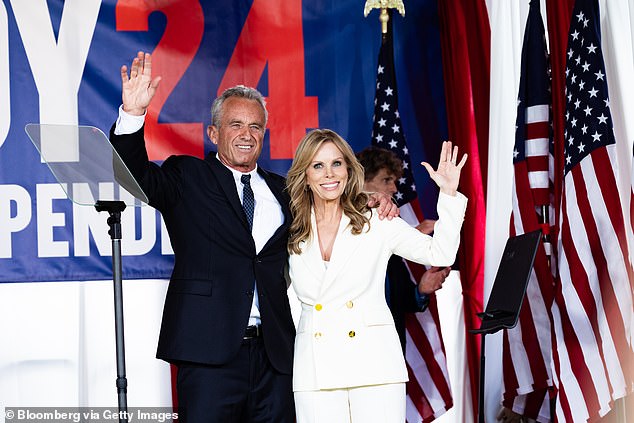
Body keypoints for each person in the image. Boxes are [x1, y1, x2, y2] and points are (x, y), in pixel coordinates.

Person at [108, 51, 397, 423]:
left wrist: (370, 199)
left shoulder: (286, 190)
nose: (247, 135)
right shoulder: (187, 177)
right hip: (208, 355)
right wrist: (132, 115)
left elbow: (332, 206)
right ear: (213, 133)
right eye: (235, 125)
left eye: (256, 126)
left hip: (276, 357)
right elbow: (134, 175)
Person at [285, 129, 467, 423]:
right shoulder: (291, 228)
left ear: (348, 170)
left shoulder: (376, 220)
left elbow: (440, 254)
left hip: (374, 366)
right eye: (318, 165)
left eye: (337, 163)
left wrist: (448, 193)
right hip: (315, 371)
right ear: (305, 175)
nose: (329, 174)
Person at [356, 146, 451, 351]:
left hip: (392, 353)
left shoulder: (391, 233)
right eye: (386, 180)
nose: (394, 189)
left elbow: (402, 300)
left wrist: (421, 289)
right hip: (357, 352)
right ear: (362, 181)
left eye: (395, 181)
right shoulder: (338, 225)